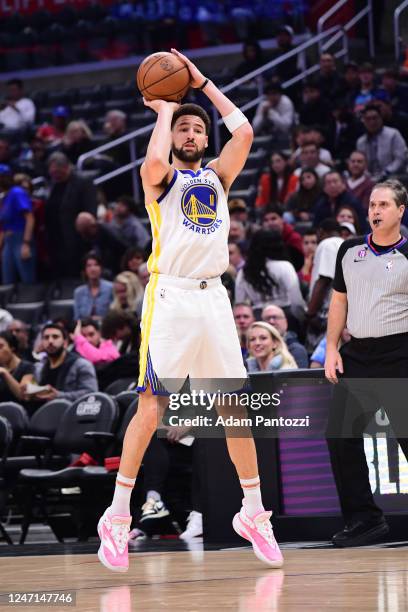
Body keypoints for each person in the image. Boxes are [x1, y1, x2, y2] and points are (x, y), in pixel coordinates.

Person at [97, 48, 283, 573]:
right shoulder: (160, 179)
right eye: (184, 130)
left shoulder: (219, 179)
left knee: (233, 410)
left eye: (198, 130)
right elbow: (153, 163)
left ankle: (252, 511)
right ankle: (115, 515)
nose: (192, 135)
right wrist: (162, 112)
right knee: (152, 407)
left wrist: (202, 85)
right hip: (172, 297)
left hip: (215, 298)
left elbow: (242, 132)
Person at [325, 179, 408, 547]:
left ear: (401, 211)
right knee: (340, 436)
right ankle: (364, 519)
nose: (375, 211)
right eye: (372, 205)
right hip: (357, 353)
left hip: (400, 353)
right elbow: (339, 302)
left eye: (384, 205)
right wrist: (330, 347)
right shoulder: (350, 250)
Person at [45, 152, 98, 278]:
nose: (54, 175)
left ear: (65, 167)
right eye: (51, 173)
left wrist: (86, 230)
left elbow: (90, 209)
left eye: (57, 172)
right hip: (56, 237)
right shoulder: (52, 184)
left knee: (75, 271)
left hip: (77, 237)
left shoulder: (83, 181)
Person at [235, 229, 305, 321]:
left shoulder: (244, 272)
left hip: (258, 319)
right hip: (284, 316)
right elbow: (297, 302)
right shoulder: (285, 267)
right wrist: (301, 321)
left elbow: (240, 303)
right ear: (278, 246)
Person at [23, 323, 98, 404]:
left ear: (65, 343)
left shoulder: (81, 365)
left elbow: (91, 394)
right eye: (46, 337)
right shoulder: (39, 367)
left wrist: (58, 396)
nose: (50, 341)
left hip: (71, 413)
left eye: (55, 337)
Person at [306, 219, 343, 352]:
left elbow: (323, 280)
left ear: (320, 232)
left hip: (325, 314)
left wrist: (310, 314)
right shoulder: (345, 244)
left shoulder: (327, 244)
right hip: (342, 311)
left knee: (318, 361)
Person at [0, 165, 36, 283]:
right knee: (7, 280)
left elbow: (30, 218)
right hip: (8, 241)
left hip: (20, 238)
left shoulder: (17, 192)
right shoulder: (4, 198)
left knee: (27, 279)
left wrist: (26, 243)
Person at [356, 104, 408, 181]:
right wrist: (368, 176)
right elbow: (361, 163)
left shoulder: (393, 134)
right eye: (368, 119)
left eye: (375, 118)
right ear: (363, 121)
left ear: (381, 118)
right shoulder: (360, 142)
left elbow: (401, 159)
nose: (372, 122)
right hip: (370, 179)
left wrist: (386, 172)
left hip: (394, 176)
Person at [75, 212, 127, 276]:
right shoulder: (95, 234)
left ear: (91, 227)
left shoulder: (108, 234)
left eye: (84, 233)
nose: (83, 236)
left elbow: (122, 250)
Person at [261, 206, 304, 271]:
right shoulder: (261, 239)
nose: (269, 223)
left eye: (273, 219)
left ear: (282, 219)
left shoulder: (294, 238)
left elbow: (298, 266)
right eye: (266, 220)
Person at [252, 81, 295, 145]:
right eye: (269, 94)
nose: (271, 97)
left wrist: (271, 113)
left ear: (280, 94)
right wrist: (263, 116)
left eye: (274, 93)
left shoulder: (286, 103)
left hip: (286, 136)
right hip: (268, 135)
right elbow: (254, 129)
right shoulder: (264, 105)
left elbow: (286, 127)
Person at [73, 252, 113, 320]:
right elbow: (76, 318)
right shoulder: (78, 292)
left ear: (101, 268)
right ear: (85, 270)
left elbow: (114, 316)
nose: (93, 269)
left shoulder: (111, 288)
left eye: (96, 265)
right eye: (89, 266)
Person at [0, 331, 34, 403]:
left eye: (0, 346)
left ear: (12, 348)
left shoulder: (28, 367)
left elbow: (23, 395)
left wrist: (5, 373)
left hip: (19, 411)